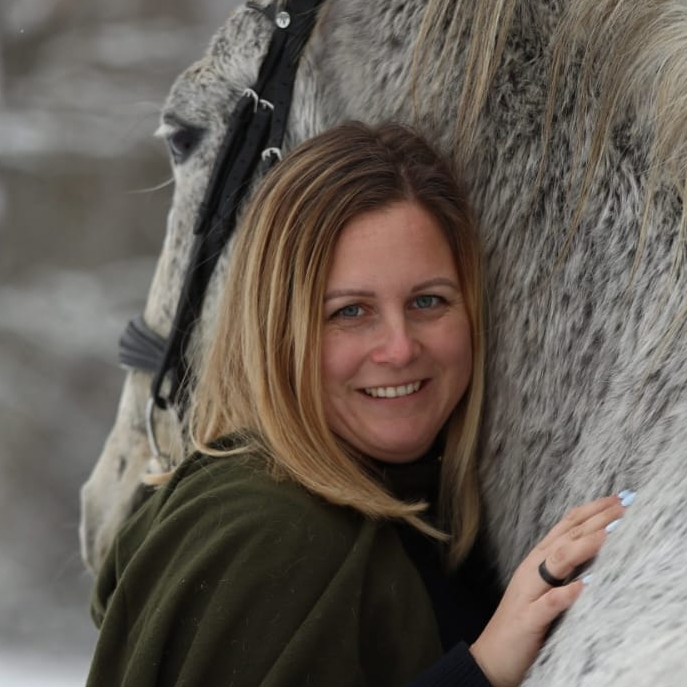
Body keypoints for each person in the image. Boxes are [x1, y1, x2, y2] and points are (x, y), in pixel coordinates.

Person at [86, 122, 629, 687]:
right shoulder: (264, 533)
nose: (400, 348)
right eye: (349, 311)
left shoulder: (416, 513)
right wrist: (480, 670)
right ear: (276, 333)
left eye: (427, 301)